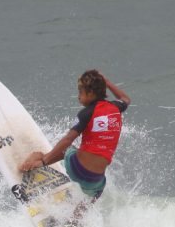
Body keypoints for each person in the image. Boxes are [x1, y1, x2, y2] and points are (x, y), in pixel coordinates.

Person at [18, 70, 130, 205]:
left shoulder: (86, 113)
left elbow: (67, 140)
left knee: (67, 149)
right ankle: (74, 222)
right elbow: (126, 99)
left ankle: (35, 162)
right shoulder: (116, 108)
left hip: (76, 168)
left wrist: (45, 160)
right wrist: (108, 82)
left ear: (90, 93)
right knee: (95, 194)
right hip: (93, 181)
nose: (78, 97)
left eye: (80, 92)